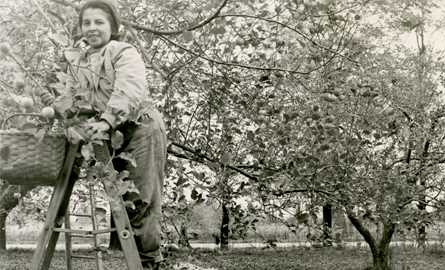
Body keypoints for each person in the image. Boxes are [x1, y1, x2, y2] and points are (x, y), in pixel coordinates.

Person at [42, 1, 166, 269]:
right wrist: (59, 109)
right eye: (86, 23)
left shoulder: (123, 51)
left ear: (113, 26)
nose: (92, 28)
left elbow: (129, 90)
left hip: (140, 126)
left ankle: (150, 265)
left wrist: (107, 119)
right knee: (121, 201)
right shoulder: (79, 61)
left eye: (99, 22)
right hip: (110, 132)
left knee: (140, 201)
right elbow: (73, 99)